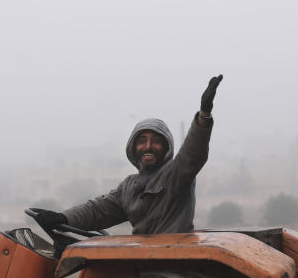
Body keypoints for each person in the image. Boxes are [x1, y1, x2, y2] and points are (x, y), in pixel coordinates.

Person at [31, 74, 223, 234]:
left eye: (156, 141)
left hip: (171, 256)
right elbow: (98, 211)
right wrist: (62, 218)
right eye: (142, 141)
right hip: (142, 255)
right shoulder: (129, 188)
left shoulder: (176, 174)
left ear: (166, 148)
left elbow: (193, 153)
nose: (148, 146)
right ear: (133, 147)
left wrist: (203, 116)